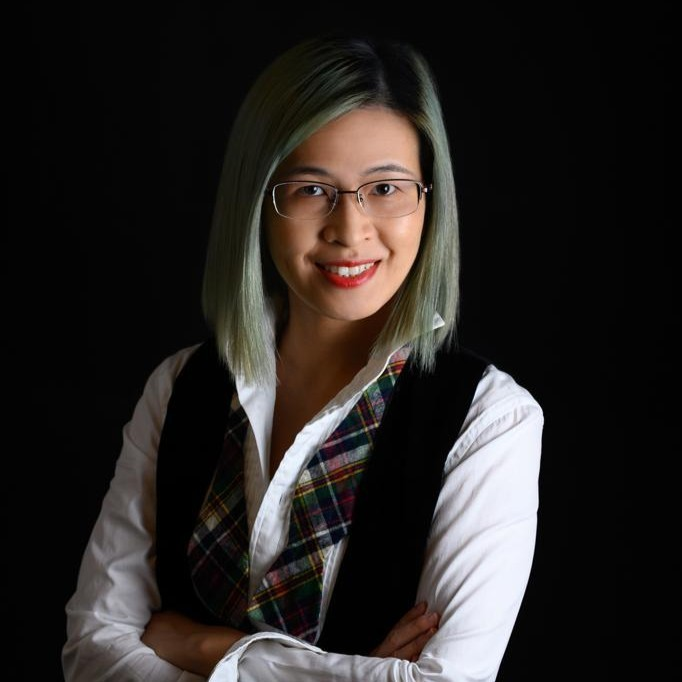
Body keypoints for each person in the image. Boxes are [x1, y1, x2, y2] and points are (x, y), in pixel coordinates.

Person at [62, 31, 544, 682]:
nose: (350, 230)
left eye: (386, 188)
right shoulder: (179, 387)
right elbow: (92, 655)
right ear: (258, 199)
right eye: (311, 189)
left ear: (430, 202)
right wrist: (356, 672)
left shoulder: (489, 421)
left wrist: (201, 647)